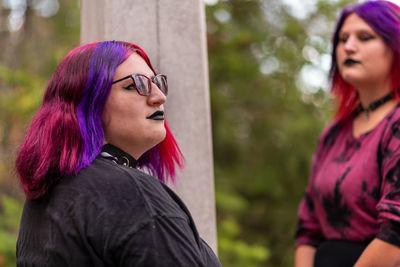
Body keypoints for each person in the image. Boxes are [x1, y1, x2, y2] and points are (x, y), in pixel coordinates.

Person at [16, 41, 221, 267]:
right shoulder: (133, 195)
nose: (159, 97)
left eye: (158, 82)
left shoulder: (43, 198)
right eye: (136, 85)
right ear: (88, 101)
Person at [295, 1, 400, 266]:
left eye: (365, 37)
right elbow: (308, 228)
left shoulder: (396, 123)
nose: (348, 47)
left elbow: (396, 235)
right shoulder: (333, 133)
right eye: (342, 39)